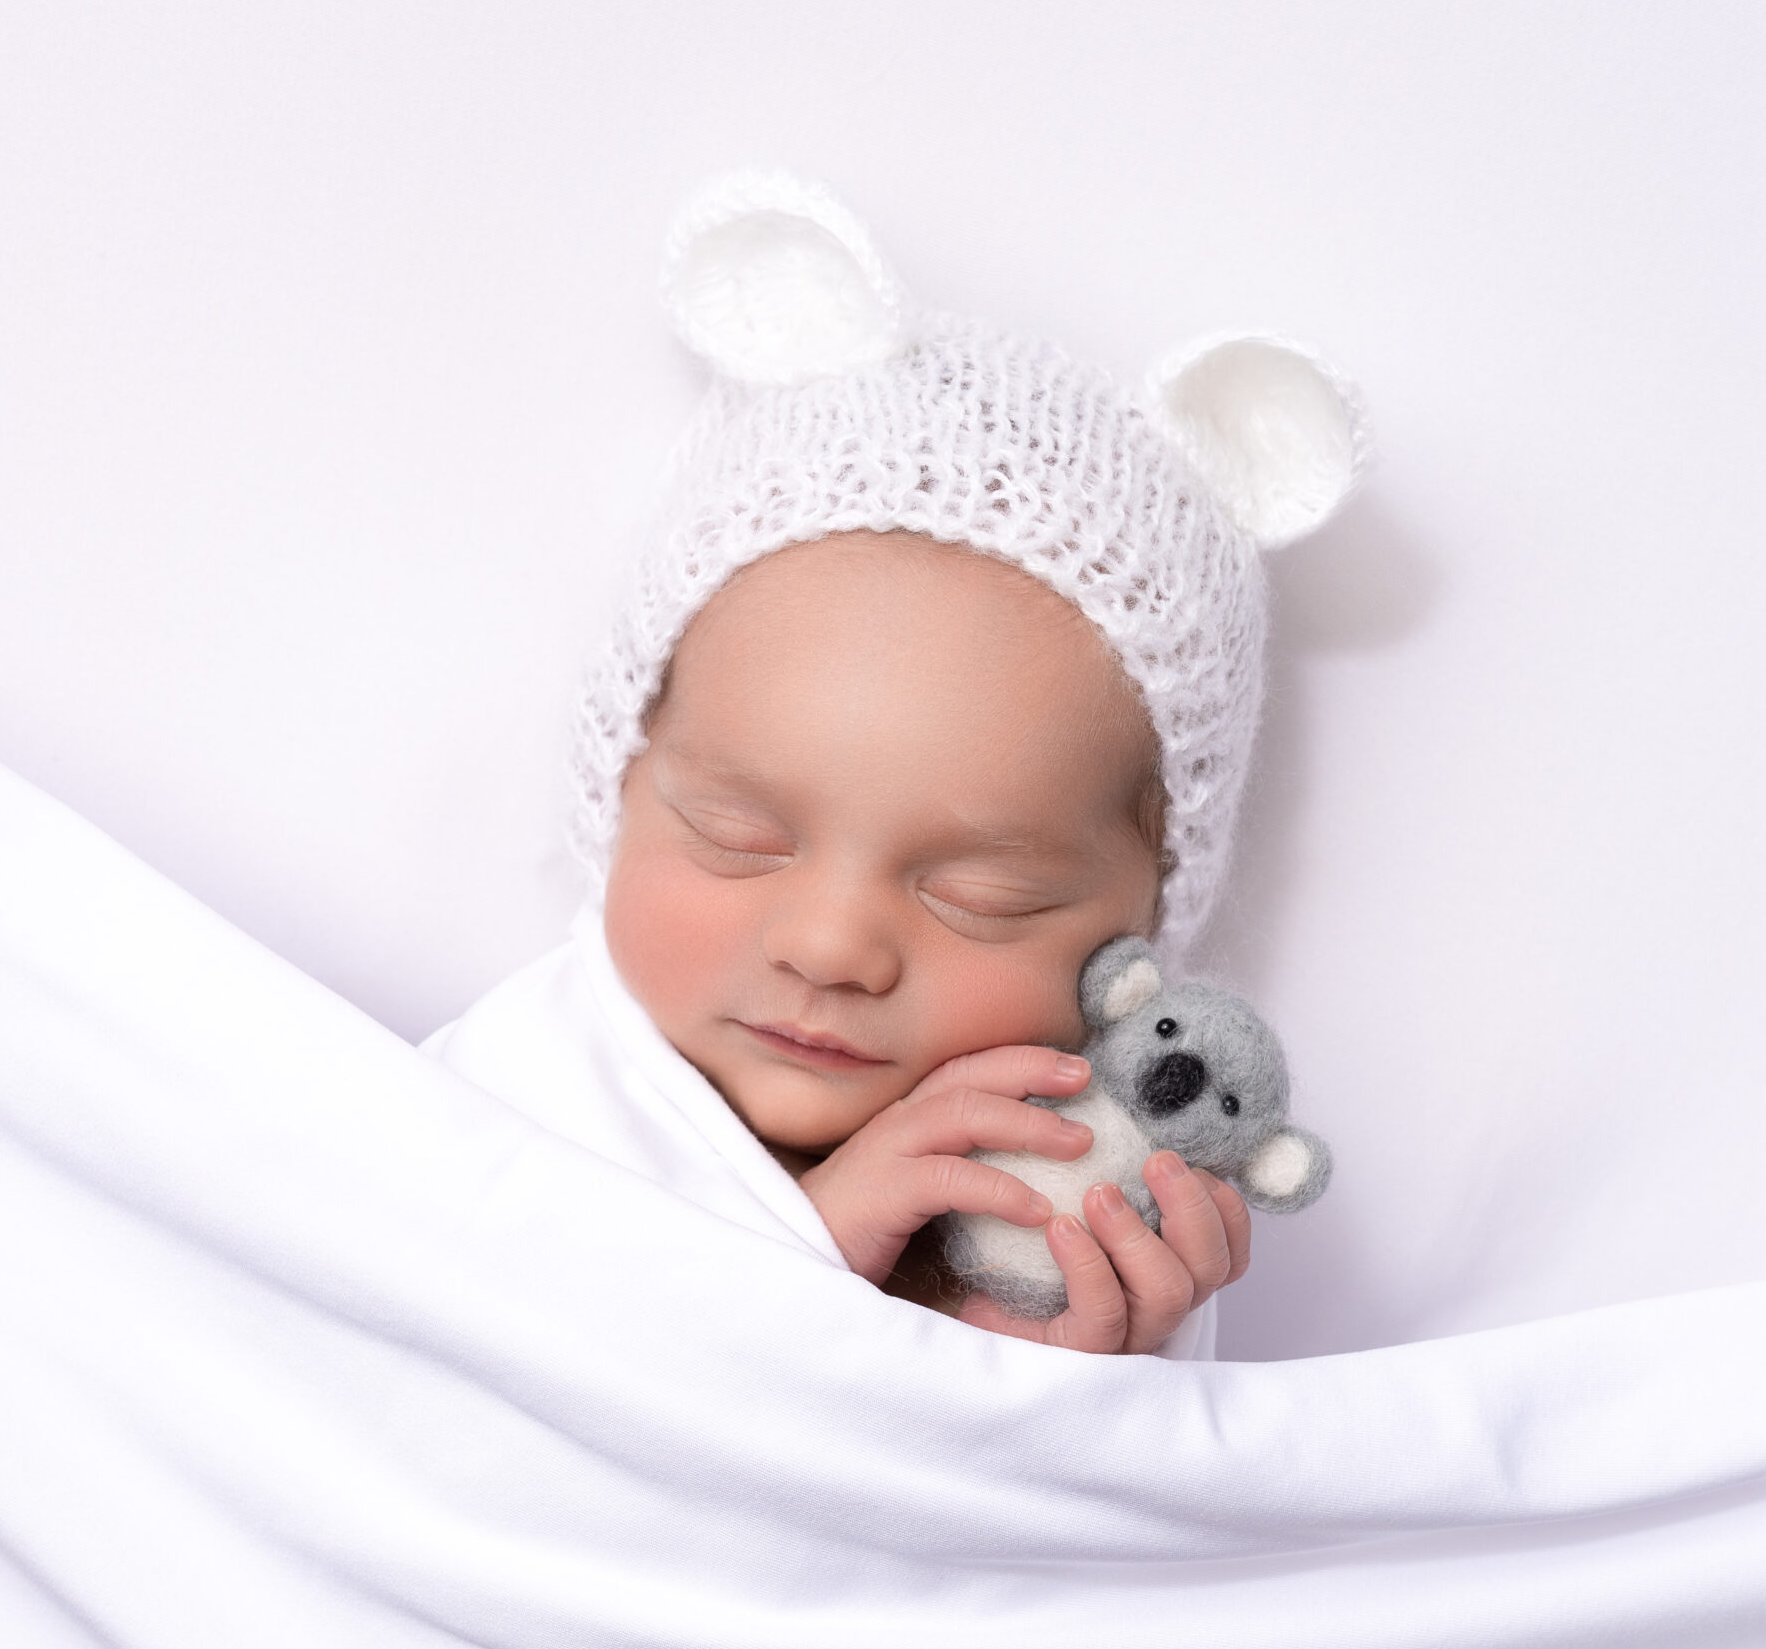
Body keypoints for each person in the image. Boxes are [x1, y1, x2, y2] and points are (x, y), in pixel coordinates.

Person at [424, 171, 1362, 1359]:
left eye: (983, 897)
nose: (827, 946)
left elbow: (1038, 1533)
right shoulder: (523, 1090)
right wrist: (809, 1254)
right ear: (619, 782)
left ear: (1135, 937)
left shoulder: (1080, 1190)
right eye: (733, 833)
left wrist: (1067, 1379)